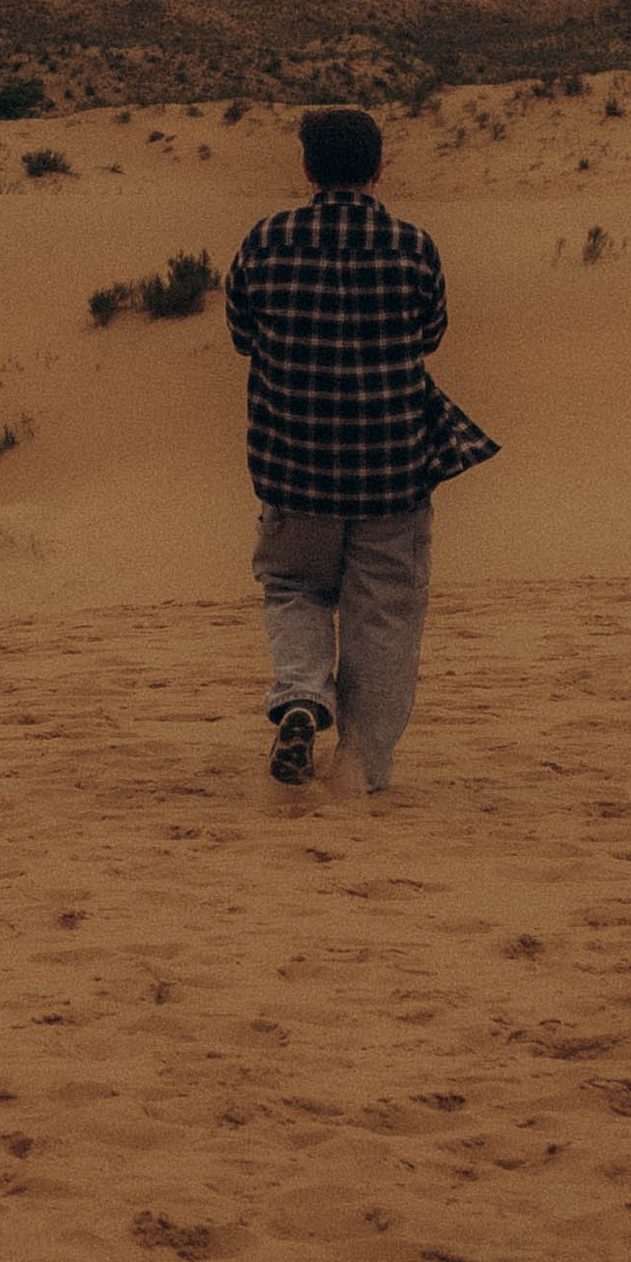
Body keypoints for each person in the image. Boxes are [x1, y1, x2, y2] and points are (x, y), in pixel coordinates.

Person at [224, 105, 496, 794]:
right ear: (378, 168)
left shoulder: (266, 240)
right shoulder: (413, 246)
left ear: (307, 168)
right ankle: (361, 768)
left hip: (293, 465)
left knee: (294, 588)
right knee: (384, 615)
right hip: (391, 470)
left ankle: (302, 696)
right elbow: (430, 333)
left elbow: (241, 332)